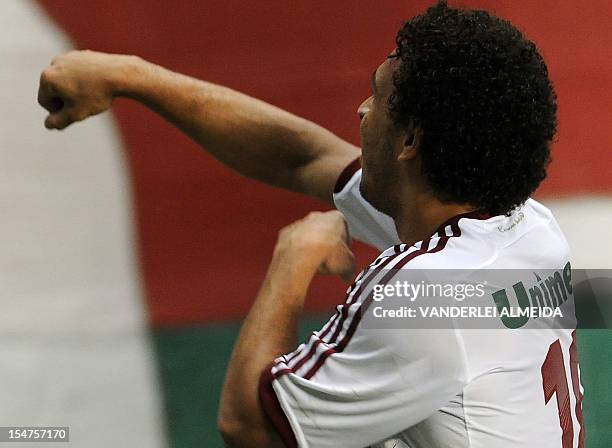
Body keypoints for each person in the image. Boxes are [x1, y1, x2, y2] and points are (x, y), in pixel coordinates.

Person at [38, 2, 585, 447]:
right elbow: (302, 159)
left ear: (410, 142)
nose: (362, 110)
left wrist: (292, 261)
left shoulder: (423, 298)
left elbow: (248, 427)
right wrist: (132, 77)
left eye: (378, 94)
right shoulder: (528, 226)